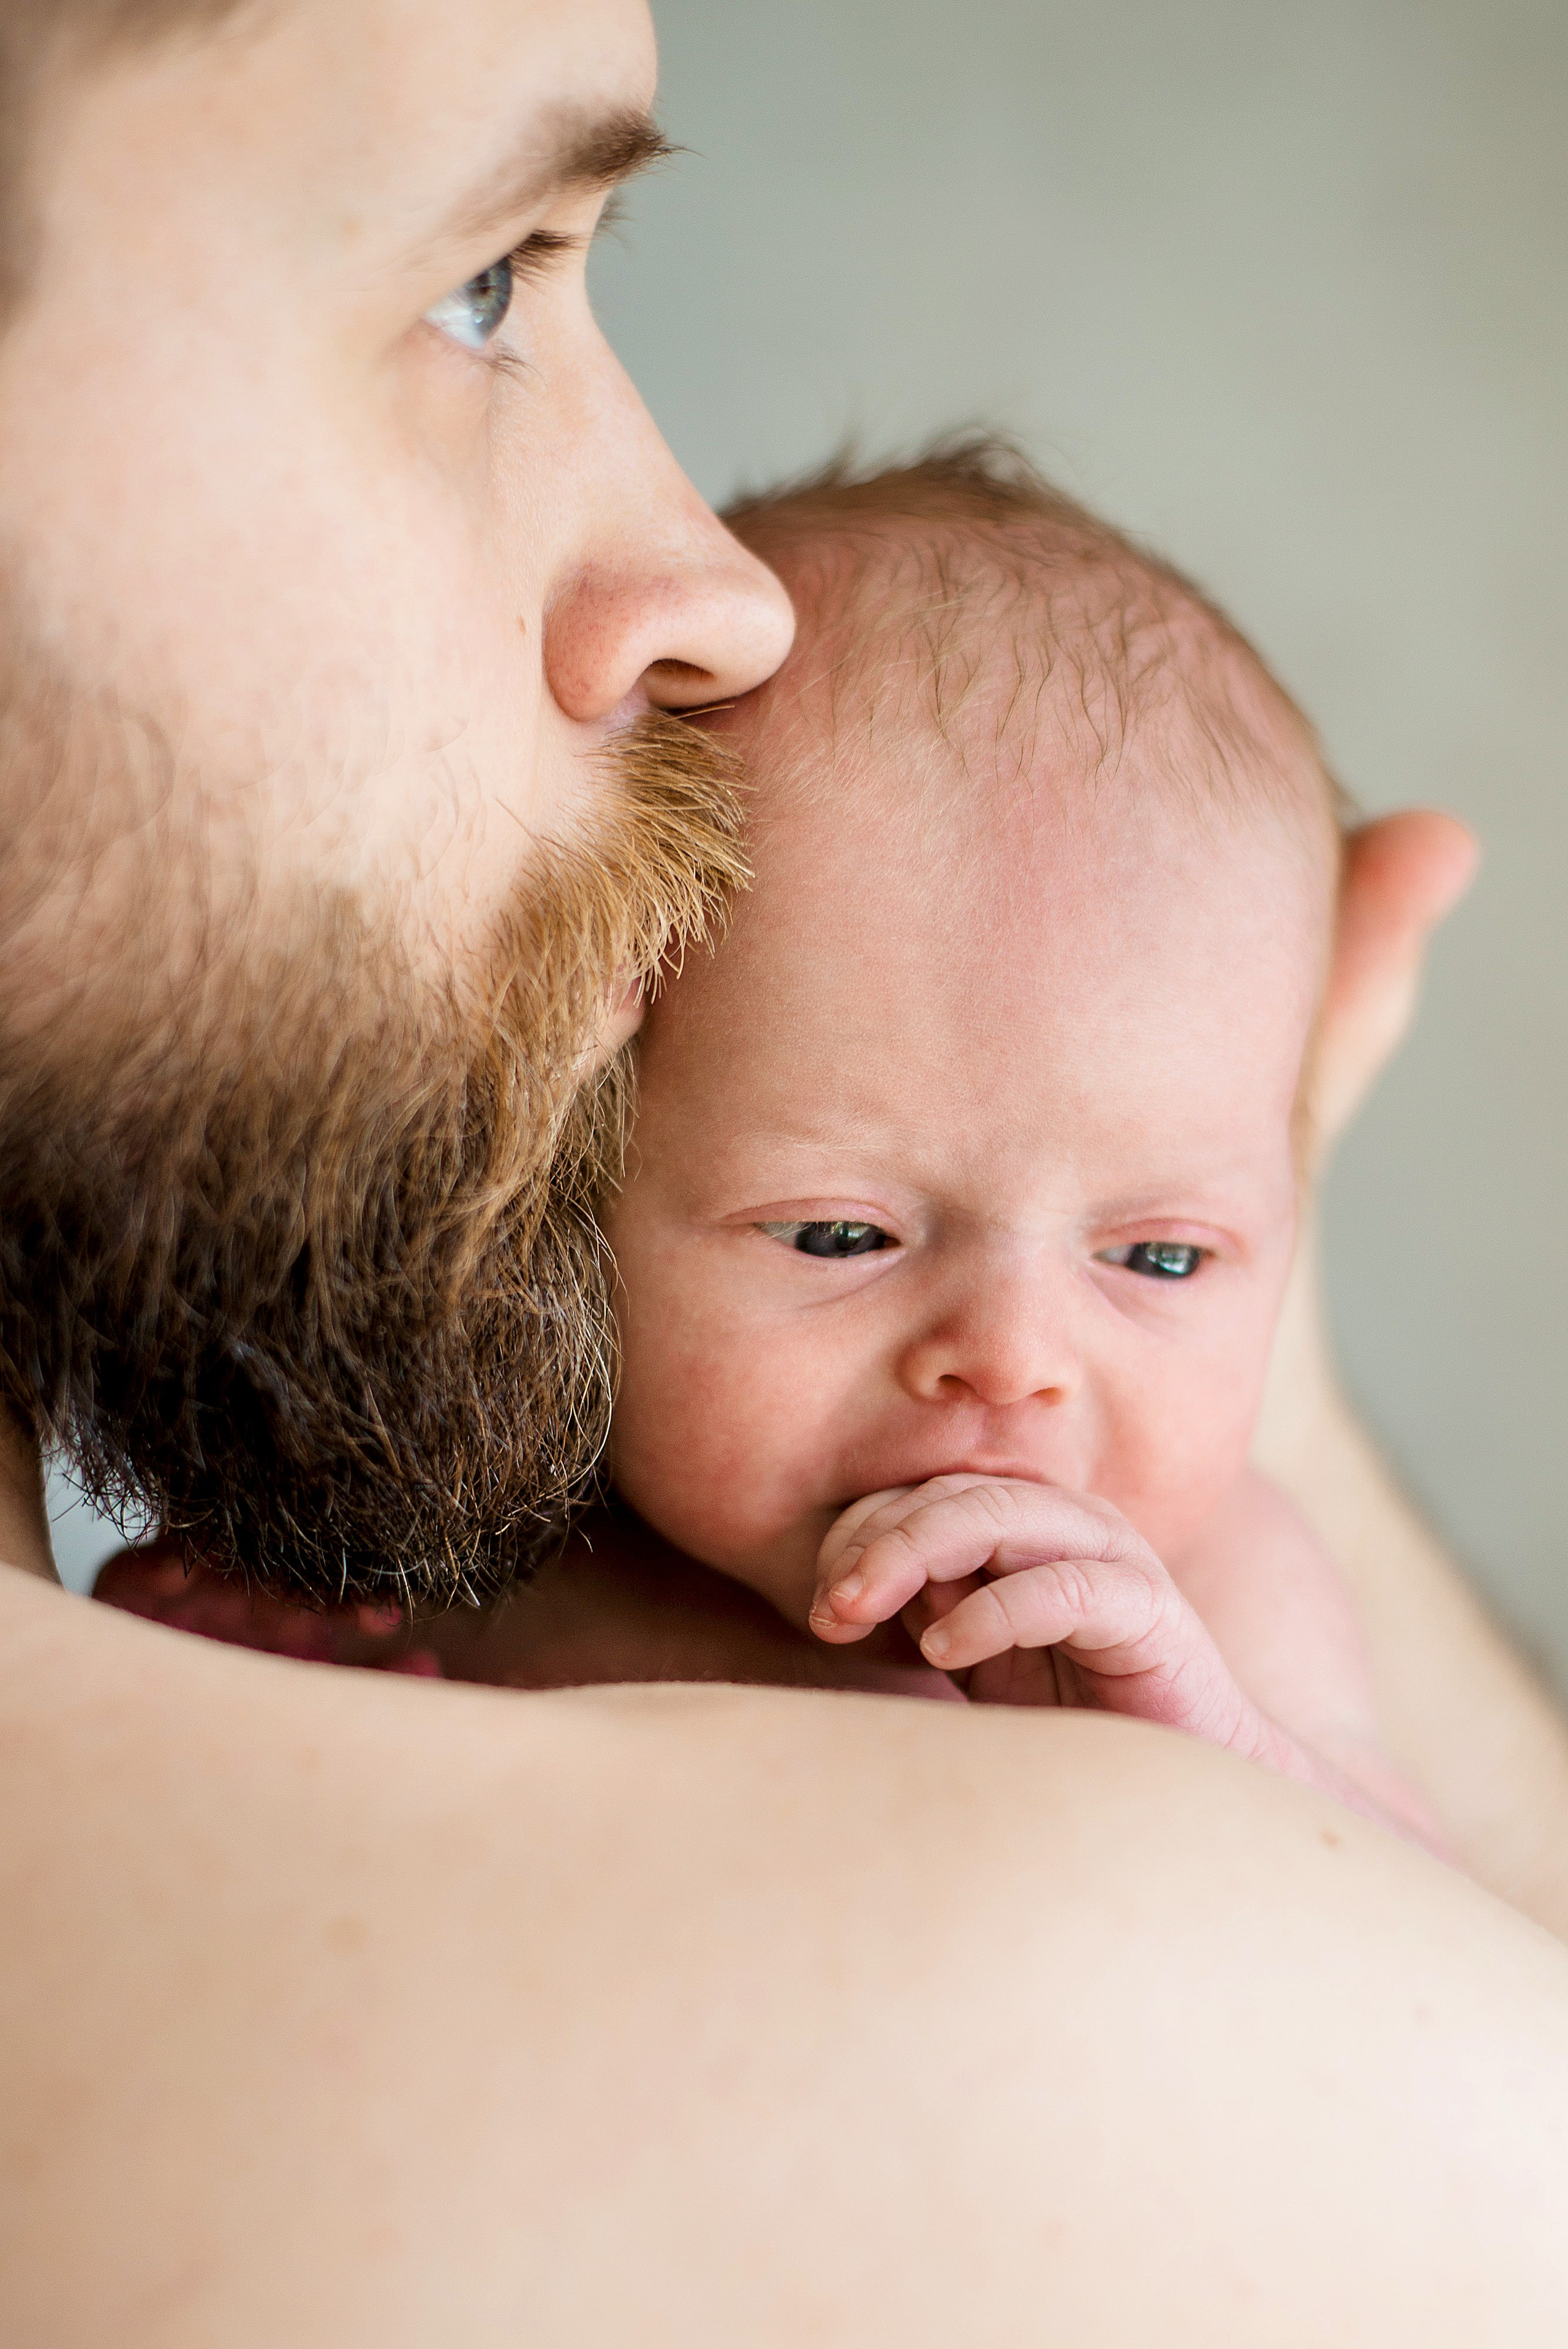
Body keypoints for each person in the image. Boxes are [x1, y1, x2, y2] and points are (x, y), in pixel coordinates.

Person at [6, 3, 1568, 2341]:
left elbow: (1378, 1870)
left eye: (1161, 1248)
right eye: (482, 282)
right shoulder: (1161, 2047)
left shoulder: (1207, 1594)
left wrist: (1246, 1490)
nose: (703, 589)